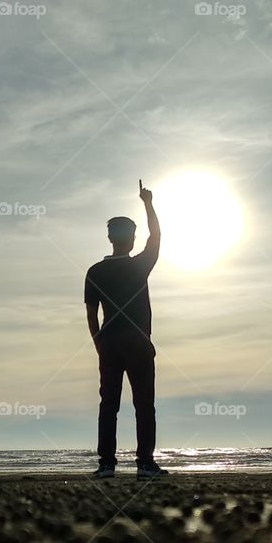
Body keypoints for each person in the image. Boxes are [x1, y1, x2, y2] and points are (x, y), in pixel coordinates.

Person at [84, 180, 168, 479]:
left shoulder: (95, 271)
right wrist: (147, 202)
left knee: (109, 404)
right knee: (144, 403)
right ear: (132, 238)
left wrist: (98, 342)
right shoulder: (140, 264)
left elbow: (91, 313)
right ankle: (145, 463)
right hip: (136, 341)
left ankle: (106, 464)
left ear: (110, 238)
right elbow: (156, 235)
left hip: (109, 342)